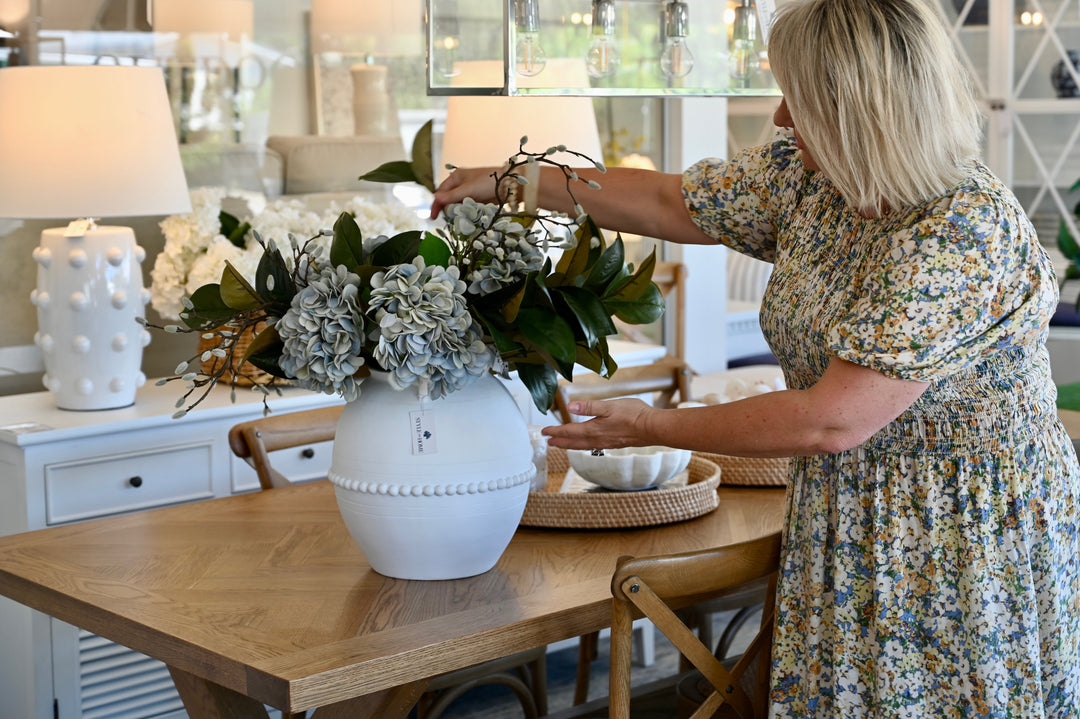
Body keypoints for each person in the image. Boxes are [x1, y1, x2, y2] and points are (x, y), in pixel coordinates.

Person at [431, 0, 1080, 715]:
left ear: (858, 109)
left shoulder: (962, 230)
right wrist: (518, 180)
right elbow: (669, 202)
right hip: (847, 506)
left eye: (795, 99)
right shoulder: (814, 178)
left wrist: (649, 425)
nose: (778, 117)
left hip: (955, 532)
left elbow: (830, 420)